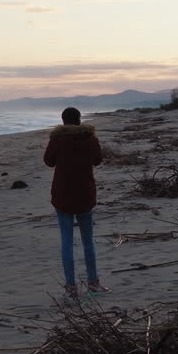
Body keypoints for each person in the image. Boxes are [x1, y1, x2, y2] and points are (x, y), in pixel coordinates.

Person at [43, 106, 107, 299]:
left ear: (63, 121)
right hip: (85, 194)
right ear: (79, 120)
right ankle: (93, 283)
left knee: (66, 243)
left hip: (62, 195)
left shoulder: (57, 140)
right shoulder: (90, 139)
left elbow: (48, 161)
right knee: (88, 241)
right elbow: (98, 160)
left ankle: (71, 288)